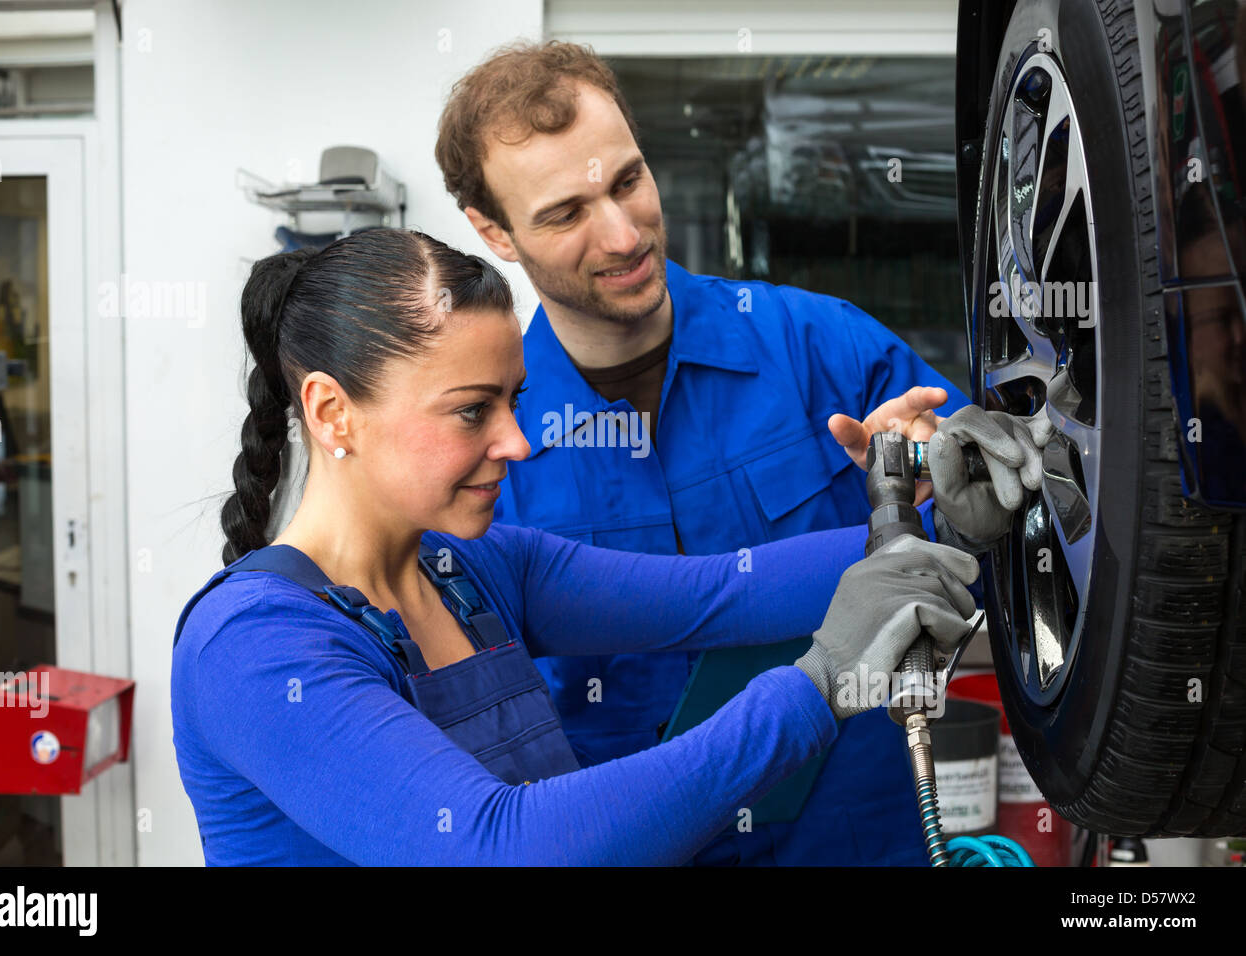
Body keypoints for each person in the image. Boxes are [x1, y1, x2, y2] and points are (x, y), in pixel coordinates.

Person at [170, 227, 1040, 865]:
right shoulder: (255, 648)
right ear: (331, 413)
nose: (517, 441)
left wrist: (940, 525)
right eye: (474, 410)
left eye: (514, 399)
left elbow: (719, 594)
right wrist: (813, 690)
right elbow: (495, 847)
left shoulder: (477, 571)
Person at [434, 40, 1047, 864]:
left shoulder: (817, 345)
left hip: (858, 836)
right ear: (493, 232)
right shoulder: (490, 447)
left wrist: (944, 487)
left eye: (626, 181)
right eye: (567, 213)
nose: (621, 235)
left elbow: (1005, 515)